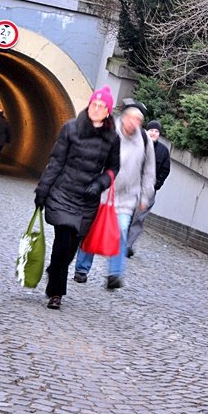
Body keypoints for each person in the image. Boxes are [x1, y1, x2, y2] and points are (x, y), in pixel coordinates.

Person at [34, 86, 120, 310]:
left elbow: (113, 168)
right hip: (63, 192)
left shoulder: (112, 138)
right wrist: (42, 190)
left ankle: (54, 271)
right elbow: (56, 161)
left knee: (71, 248)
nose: (97, 109)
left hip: (87, 199)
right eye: (94, 105)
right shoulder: (70, 129)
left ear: (108, 111)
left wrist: (100, 183)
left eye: (102, 107)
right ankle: (56, 293)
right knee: (63, 240)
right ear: (89, 105)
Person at [74, 104, 155, 290]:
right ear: (124, 118)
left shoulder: (144, 140)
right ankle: (82, 269)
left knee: (120, 231)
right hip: (102, 192)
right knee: (94, 229)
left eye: (139, 121)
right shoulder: (109, 132)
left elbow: (149, 171)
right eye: (132, 119)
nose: (134, 124)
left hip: (127, 197)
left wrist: (145, 196)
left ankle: (114, 274)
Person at [126, 119, 171, 258]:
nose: (154, 133)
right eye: (151, 130)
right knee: (126, 215)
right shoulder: (138, 144)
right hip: (131, 186)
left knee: (138, 218)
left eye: (157, 131)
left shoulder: (163, 151)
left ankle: (127, 246)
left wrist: (156, 185)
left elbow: (165, 169)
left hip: (148, 190)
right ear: (146, 131)